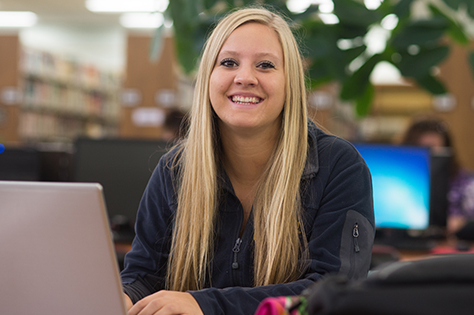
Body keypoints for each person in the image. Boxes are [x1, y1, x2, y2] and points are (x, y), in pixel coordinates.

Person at [120, 7, 374, 315]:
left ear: (289, 82)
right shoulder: (175, 169)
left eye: (265, 65)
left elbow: (334, 291)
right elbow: (143, 276)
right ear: (208, 77)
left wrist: (205, 305)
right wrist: (123, 297)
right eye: (228, 62)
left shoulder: (339, 167)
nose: (244, 77)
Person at [401, 117, 474, 238]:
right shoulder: (398, 183)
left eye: (434, 148)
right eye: (421, 148)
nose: (428, 154)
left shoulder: (467, 181)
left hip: (451, 250)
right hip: (406, 248)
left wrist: (462, 223)